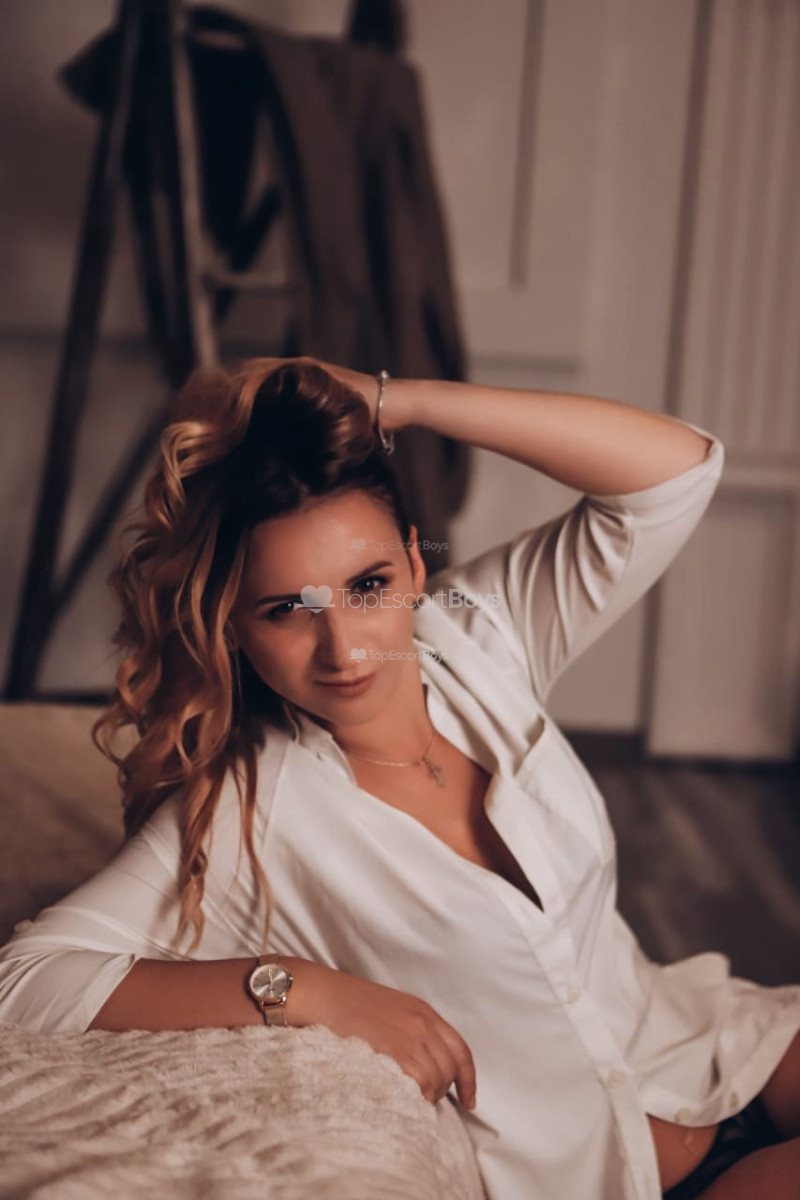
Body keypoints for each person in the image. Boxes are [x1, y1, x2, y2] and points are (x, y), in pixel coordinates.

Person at [0, 357, 798, 1200]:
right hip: (608, 1174)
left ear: (416, 566)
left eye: (368, 585)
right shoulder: (247, 809)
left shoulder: (478, 638)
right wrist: (301, 989)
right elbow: (25, 979)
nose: (344, 648)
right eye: (287, 609)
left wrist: (399, 401)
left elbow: (676, 472)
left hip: (713, 1045)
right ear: (233, 626)